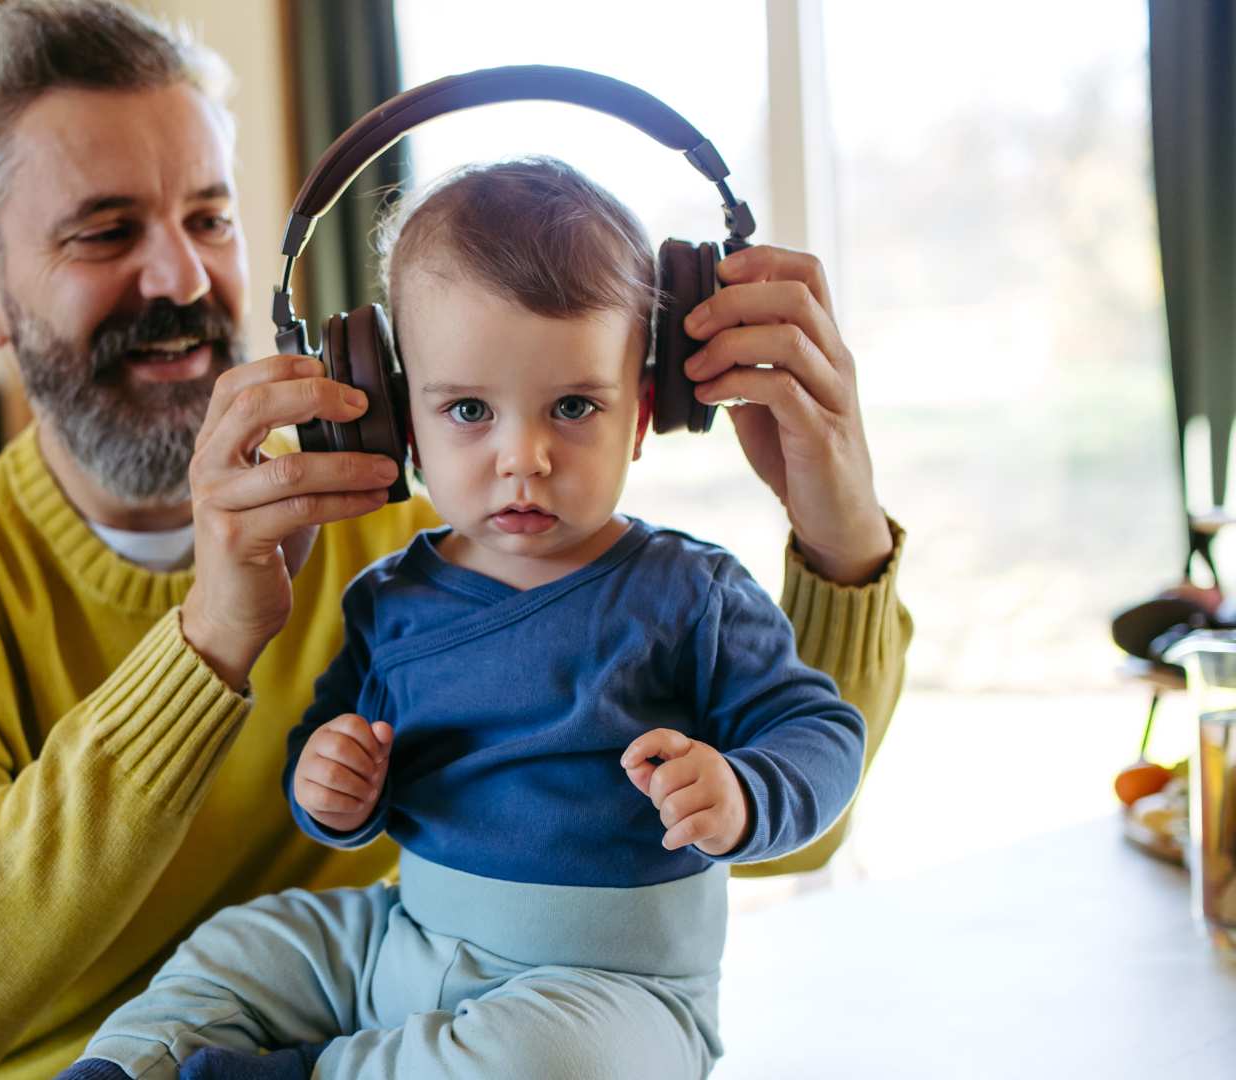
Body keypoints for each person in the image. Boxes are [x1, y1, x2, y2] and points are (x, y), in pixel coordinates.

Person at [0, 2, 910, 1077]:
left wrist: (839, 531)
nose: (184, 279)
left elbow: (790, 831)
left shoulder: (429, 526)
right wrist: (211, 636)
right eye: (106, 232)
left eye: (210, 219)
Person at [54, 158, 868, 1080]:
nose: (523, 457)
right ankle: (131, 1064)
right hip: (406, 936)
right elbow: (332, 749)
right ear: (399, 425)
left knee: (551, 1068)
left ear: (643, 414)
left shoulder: (693, 593)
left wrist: (745, 793)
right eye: (470, 410)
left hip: (612, 993)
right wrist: (332, 787)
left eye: (573, 407)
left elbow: (823, 732)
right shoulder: (389, 596)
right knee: (243, 944)